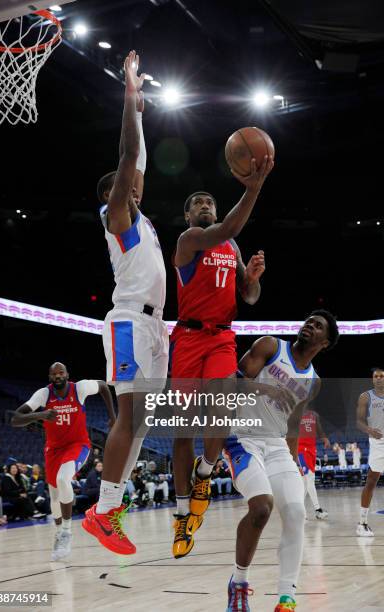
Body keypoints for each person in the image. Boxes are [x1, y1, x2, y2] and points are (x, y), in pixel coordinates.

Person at [82, 50, 168, 556]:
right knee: (130, 416)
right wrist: (129, 94)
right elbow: (129, 155)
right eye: (130, 182)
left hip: (157, 329)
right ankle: (104, 507)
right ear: (116, 190)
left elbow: (139, 156)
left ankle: (110, 509)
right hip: (129, 321)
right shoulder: (116, 215)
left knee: (142, 420)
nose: (138, 183)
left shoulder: (144, 220)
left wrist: (140, 114)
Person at [171, 155, 273, 558]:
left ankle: (205, 471)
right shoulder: (188, 243)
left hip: (220, 339)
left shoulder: (230, 245)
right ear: (187, 216)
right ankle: (183, 516)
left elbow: (248, 297)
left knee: (223, 404)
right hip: (187, 337)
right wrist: (253, 187)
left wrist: (252, 280)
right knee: (182, 433)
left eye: (209, 201)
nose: (205, 205)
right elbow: (228, 226)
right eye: (197, 203)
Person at [223, 310, 339, 612]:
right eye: (309, 321)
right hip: (243, 438)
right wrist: (264, 387)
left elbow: (293, 423)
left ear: (324, 343)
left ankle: (287, 597)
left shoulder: (313, 381)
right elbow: (230, 384)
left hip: (277, 446)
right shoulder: (270, 346)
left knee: (297, 511)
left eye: (317, 327)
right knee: (261, 508)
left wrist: (292, 460)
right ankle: (239, 584)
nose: (309, 326)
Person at [11, 362, 115, 560]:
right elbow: (15, 418)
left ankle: (67, 531)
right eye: (53, 374)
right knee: (55, 497)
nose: (57, 376)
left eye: (61, 373)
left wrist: (112, 416)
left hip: (78, 445)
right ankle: (59, 533)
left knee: (63, 479)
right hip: (53, 449)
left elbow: (102, 385)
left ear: (67, 374)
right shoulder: (44, 394)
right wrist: (40, 415)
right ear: (50, 377)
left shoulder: (80, 388)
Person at [356, 367, 384, 537]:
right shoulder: (366, 396)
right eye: (376, 376)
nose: (379, 378)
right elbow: (359, 422)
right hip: (378, 441)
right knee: (372, 480)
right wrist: (369, 430)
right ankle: (362, 523)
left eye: (382, 376)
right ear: (372, 379)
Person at [298, 410, 330, 520]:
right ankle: (318, 510)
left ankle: (300, 511)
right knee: (310, 479)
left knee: (305, 482)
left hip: (312, 449)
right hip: (301, 450)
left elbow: (319, 429)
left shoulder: (314, 414)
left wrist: (324, 438)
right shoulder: (294, 413)